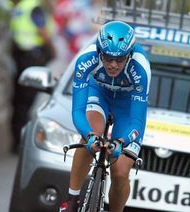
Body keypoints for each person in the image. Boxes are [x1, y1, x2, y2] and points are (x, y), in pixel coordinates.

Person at [59, 21, 151, 212]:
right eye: (108, 58)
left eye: (120, 59)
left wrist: (122, 141)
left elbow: (137, 122)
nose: (113, 65)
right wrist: (89, 135)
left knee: (120, 172)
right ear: (99, 52)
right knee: (91, 133)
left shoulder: (141, 68)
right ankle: (72, 199)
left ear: (130, 54)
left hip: (126, 104)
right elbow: (77, 111)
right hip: (99, 93)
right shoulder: (86, 58)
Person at [9, 0, 56, 153]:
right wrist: (52, 49)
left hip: (20, 56)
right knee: (26, 103)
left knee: (19, 102)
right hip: (31, 57)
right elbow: (42, 31)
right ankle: (21, 143)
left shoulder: (20, 7)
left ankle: (17, 141)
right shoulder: (34, 7)